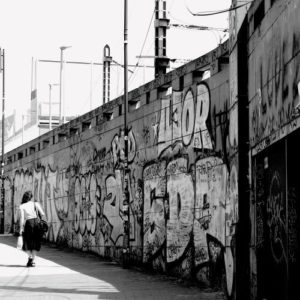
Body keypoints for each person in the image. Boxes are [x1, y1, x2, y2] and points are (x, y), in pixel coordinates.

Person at [19, 191, 46, 267]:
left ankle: (30, 257)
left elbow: (22, 218)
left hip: (28, 224)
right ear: (31, 197)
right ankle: (33, 261)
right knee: (35, 242)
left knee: (27, 242)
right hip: (36, 224)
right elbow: (42, 214)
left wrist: (21, 229)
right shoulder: (35, 204)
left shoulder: (22, 206)